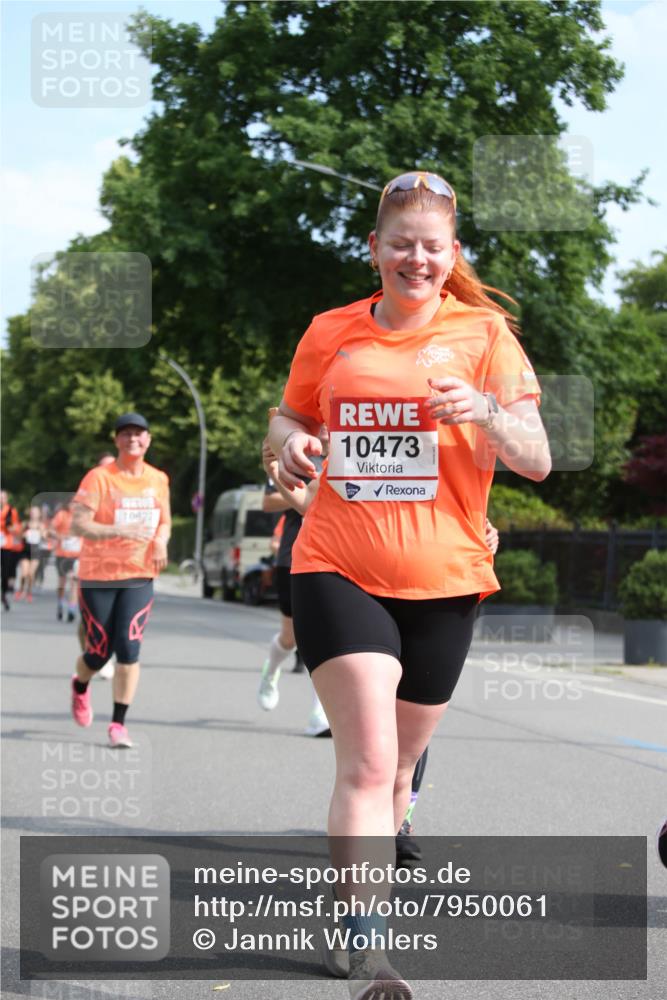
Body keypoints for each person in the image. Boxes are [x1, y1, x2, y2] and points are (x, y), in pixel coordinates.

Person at [269, 170, 550, 997]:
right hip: (337, 563)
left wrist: (484, 412)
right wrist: (284, 445)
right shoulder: (331, 332)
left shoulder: (485, 333)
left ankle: (350, 910)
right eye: (401, 244)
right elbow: (289, 418)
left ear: (450, 253)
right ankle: (369, 948)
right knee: (366, 763)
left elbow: (535, 456)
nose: (416, 259)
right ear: (375, 251)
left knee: (398, 777)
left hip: (446, 576)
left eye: (432, 247)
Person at [69, 412, 171, 748]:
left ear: (148, 439)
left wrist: (160, 541)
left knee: (128, 647)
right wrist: (116, 529)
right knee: (98, 652)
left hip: (139, 574)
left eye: (139, 434)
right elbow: (79, 524)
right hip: (98, 576)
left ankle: (117, 724)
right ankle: (81, 685)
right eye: (126, 434)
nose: (133, 439)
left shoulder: (158, 479)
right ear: (117, 440)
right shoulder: (99, 478)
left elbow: (165, 523)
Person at [257, 421, 331, 737]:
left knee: (329, 638)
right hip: (294, 555)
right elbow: (269, 501)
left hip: (335, 557)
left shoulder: (356, 457)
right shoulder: (300, 457)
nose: (327, 431)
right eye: (322, 426)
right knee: (291, 638)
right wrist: (279, 472)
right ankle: (271, 670)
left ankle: (320, 715)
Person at [50, 500, 82, 622]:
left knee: (74, 581)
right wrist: (61, 537)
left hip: (77, 555)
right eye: (72, 503)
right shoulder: (62, 515)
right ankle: (60, 602)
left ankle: (71, 609)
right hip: (62, 554)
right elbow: (51, 530)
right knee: (62, 582)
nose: (74, 505)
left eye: (77, 503)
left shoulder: (82, 517)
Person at [15, 505, 45, 602]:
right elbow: (18, 536)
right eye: (32, 512)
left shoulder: (41, 525)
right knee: (24, 574)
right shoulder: (25, 524)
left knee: (31, 574)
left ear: (39, 514)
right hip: (25, 551)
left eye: (36, 512)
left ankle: (29, 592)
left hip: (35, 552)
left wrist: (41, 533)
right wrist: (23, 535)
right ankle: (21, 589)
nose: (34, 514)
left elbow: (45, 537)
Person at [1, 491, 22, 610]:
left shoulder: (11, 511)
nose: (1, 500)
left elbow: (16, 527)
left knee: (5, 572)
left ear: (7, 499)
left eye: (3, 498)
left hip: (6, 545)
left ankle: (3, 594)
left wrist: (10, 528)